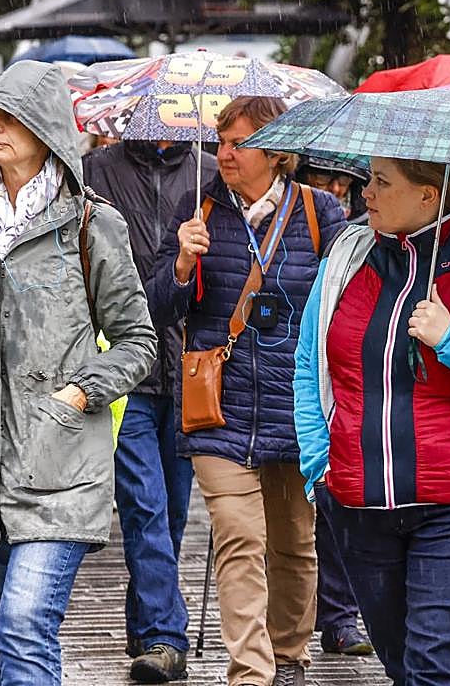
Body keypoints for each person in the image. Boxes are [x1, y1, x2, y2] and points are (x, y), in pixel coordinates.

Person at [292, 159, 450, 685]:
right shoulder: (346, 254)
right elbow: (308, 363)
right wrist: (321, 462)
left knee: (436, 666)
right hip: (359, 505)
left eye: (382, 182)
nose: (366, 192)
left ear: (429, 196)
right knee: (402, 666)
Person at [0, 61, 157, 686]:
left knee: (22, 627)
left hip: (60, 466)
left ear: (48, 130)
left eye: (12, 117)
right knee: (1, 643)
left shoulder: (93, 226)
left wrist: (78, 392)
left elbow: (138, 342)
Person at [147, 96, 347, 686]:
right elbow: (158, 306)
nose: (226, 154)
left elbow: (344, 303)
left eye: (240, 143)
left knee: (293, 545)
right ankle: (251, 672)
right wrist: (182, 263)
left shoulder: (322, 212)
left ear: (277, 151)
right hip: (218, 407)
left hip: (296, 405)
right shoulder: (199, 208)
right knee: (239, 537)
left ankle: (288, 654)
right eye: (223, 141)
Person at [83, 138, 217, 682]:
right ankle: (166, 637)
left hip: (189, 370)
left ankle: (146, 628)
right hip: (125, 368)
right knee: (144, 505)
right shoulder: (98, 169)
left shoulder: (209, 171)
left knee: (175, 512)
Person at [292, 157, 373, 658]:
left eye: (342, 181)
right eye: (324, 180)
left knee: (333, 508)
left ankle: (339, 614)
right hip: (286, 361)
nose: (336, 189)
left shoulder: (350, 230)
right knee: (296, 518)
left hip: (336, 372)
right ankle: (299, 618)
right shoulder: (301, 216)